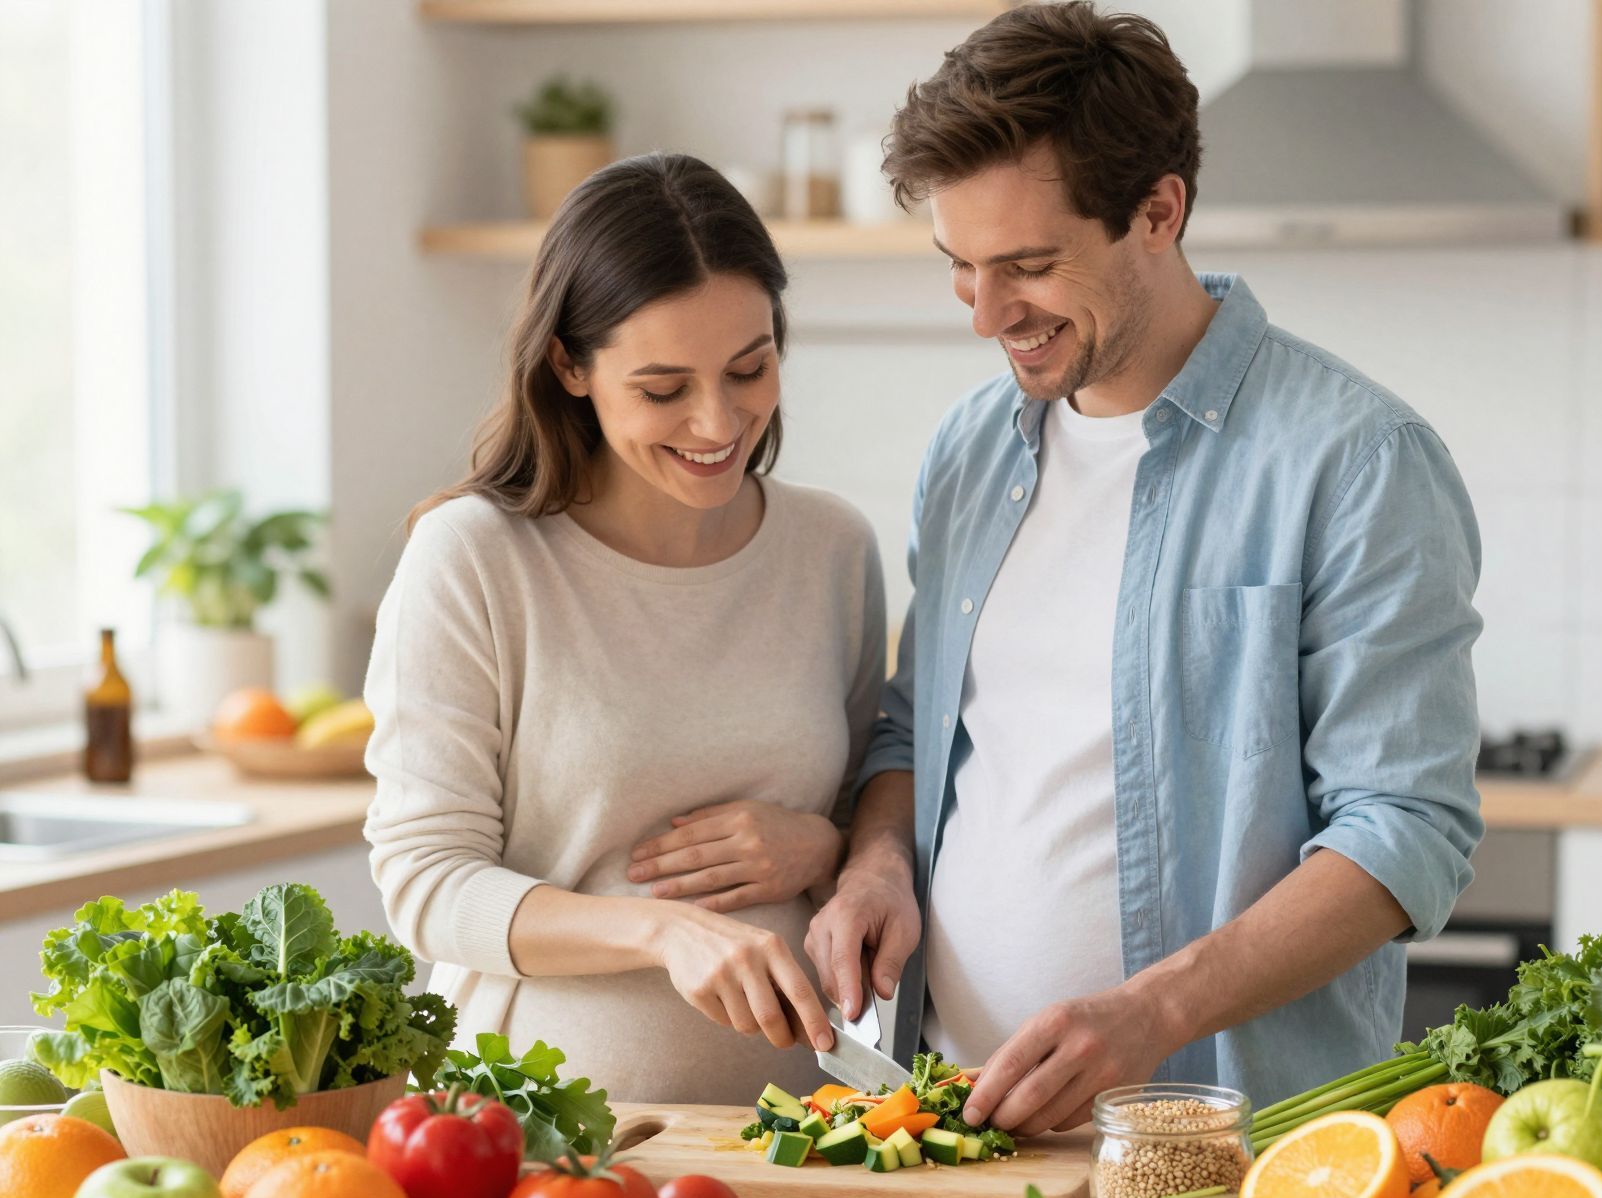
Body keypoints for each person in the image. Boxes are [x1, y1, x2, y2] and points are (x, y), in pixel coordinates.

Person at [806, 2, 1484, 1135]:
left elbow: (1402, 830)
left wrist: (1148, 1013)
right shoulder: (971, 449)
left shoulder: (1355, 460)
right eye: (959, 268)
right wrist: (875, 861)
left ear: (1157, 211)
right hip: (954, 1124)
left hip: (1223, 1142)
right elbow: (916, 731)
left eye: (1026, 266)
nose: (985, 316)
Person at [365, 154, 884, 1107]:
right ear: (570, 364)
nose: (718, 420)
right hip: (534, 1138)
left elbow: (876, 822)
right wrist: (659, 931)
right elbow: (425, 883)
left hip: (805, 1130)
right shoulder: (475, 558)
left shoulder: (832, 550)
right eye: (662, 389)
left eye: (749, 368)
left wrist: (819, 847)